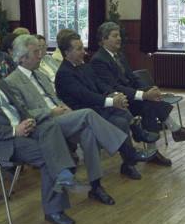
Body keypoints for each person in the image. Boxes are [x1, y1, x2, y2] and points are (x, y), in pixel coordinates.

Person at [0, 44, 92, 224]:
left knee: (50, 126)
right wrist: (14, 131)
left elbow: (22, 109)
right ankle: (54, 208)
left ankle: (64, 174)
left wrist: (28, 122)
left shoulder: (1, 83)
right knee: (47, 154)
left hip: (22, 131)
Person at [6, 35, 147, 205]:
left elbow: (57, 98)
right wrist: (51, 112)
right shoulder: (11, 82)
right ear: (22, 58)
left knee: (88, 133)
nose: (41, 55)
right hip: (45, 124)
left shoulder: (41, 75)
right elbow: (23, 113)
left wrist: (67, 110)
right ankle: (129, 151)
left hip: (63, 116)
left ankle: (96, 186)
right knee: (87, 113)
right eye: (35, 52)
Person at [90, 22, 185, 165]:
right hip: (117, 103)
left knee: (149, 105)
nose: (119, 38)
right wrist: (143, 95)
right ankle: (175, 129)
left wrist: (148, 90)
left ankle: (153, 151)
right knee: (148, 101)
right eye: (114, 36)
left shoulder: (119, 56)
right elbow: (114, 87)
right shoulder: (99, 60)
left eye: (119, 35)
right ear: (104, 40)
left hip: (129, 99)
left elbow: (133, 77)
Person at [55, 33, 161, 180]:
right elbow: (86, 96)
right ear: (67, 53)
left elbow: (100, 85)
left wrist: (116, 95)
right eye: (79, 49)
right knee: (119, 114)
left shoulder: (85, 67)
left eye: (82, 48)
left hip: (97, 109)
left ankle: (129, 161)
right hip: (83, 116)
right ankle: (133, 146)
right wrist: (112, 101)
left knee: (121, 117)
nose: (83, 52)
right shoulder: (64, 74)